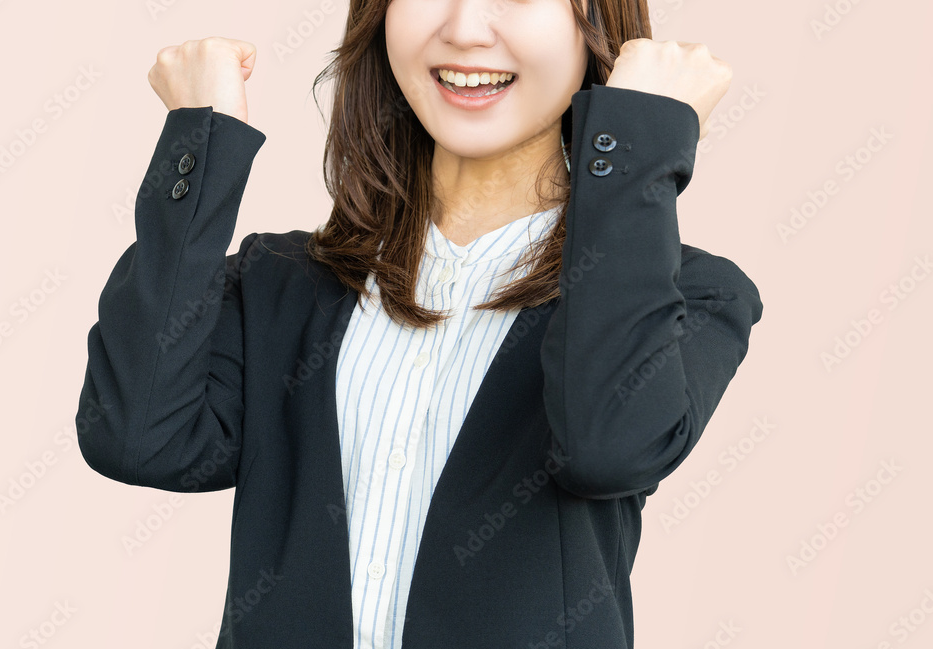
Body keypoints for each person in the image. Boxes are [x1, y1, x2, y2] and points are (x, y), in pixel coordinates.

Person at [75, 0, 763, 647]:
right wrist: (200, 141)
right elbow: (137, 439)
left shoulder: (687, 295)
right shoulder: (281, 280)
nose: (464, 29)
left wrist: (639, 138)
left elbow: (607, 450)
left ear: (597, 23)